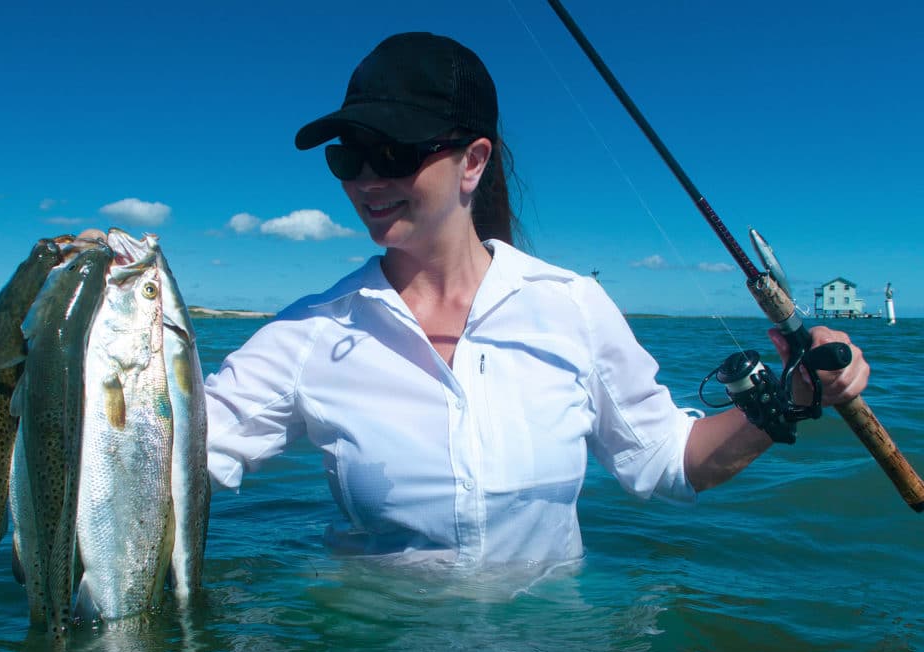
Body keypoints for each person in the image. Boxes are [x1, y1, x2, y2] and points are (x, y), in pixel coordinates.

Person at [202, 32, 869, 567]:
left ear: (473, 160)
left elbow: (670, 460)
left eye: (394, 152)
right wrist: (102, 317)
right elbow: (173, 452)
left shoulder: (572, 306)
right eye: (350, 156)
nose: (368, 179)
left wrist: (799, 394)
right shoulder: (310, 333)